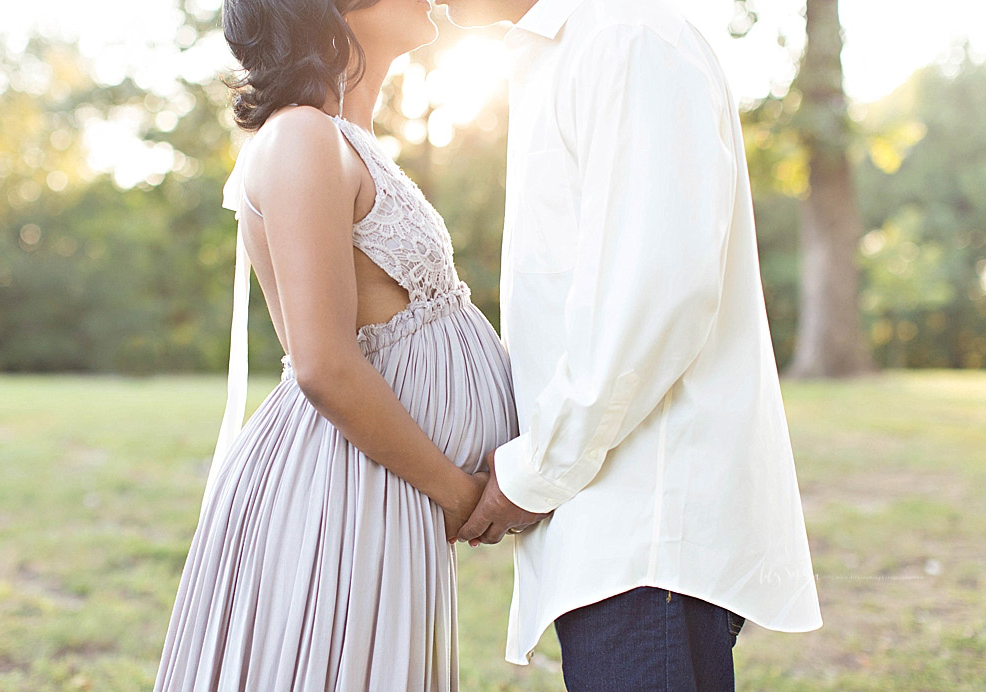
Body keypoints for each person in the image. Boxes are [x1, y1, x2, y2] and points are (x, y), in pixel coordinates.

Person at [436, 0, 824, 689]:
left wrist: (535, 470)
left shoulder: (628, 39)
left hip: (646, 532)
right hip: (612, 526)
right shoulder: (569, 51)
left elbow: (654, 294)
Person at [153, 0, 516, 687]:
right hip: (343, 494)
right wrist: (457, 493)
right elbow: (320, 363)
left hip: (384, 490)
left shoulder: (347, 138)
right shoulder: (302, 138)